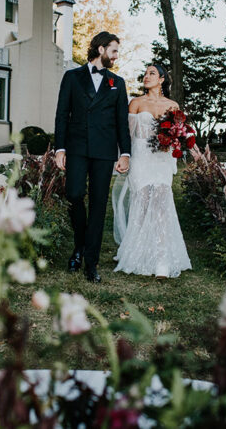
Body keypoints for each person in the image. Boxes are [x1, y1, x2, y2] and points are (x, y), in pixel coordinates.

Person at [54, 31, 131, 283]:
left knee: (98, 205)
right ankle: (80, 245)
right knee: (74, 194)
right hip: (76, 148)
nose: (117, 56)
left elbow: (122, 122)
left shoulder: (117, 83)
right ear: (100, 49)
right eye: (114, 50)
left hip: (104, 151)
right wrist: (60, 148)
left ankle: (90, 262)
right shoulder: (72, 77)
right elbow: (62, 114)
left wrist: (125, 153)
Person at [113, 64, 192, 278]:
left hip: (161, 161)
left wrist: (177, 143)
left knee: (162, 206)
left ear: (162, 79)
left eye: (152, 73)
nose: (146, 77)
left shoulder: (172, 105)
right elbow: (126, 134)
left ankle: (162, 260)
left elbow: (179, 135)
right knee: (143, 201)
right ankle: (136, 253)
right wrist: (124, 157)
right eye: (146, 73)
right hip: (141, 159)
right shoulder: (136, 103)